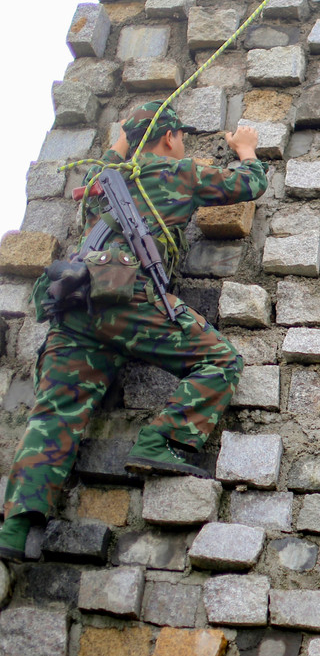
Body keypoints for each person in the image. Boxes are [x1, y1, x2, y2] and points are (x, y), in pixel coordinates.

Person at [0, 103, 268, 560]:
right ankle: (160, 439)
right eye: (179, 136)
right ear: (168, 139)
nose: (181, 143)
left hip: (75, 306)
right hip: (127, 297)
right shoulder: (175, 172)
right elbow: (250, 185)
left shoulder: (103, 178)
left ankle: (13, 531)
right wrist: (247, 150)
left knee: (54, 416)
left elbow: (114, 151)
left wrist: (120, 139)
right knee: (221, 359)